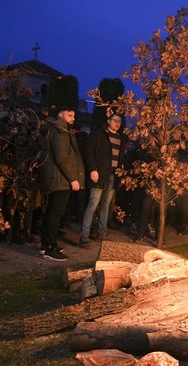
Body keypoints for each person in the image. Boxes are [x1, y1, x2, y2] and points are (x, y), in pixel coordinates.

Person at [38, 106, 85, 261]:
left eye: (74, 115)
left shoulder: (59, 130)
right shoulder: (60, 132)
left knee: (52, 212)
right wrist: (73, 179)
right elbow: (62, 158)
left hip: (57, 178)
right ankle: (50, 247)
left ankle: (46, 246)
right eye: (70, 115)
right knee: (55, 213)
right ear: (60, 114)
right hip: (60, 179)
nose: (73, 118)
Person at [79, 114, 125, 245]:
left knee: (106, 205)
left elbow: (120, 157)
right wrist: (93, 169)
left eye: (119, 121)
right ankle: (84, 236)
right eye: (115, 121)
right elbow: (89, 152)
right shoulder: (98, 134)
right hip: (99, 175)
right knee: (93, 204)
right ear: (109, 121)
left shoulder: (120, 138)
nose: (118, 123)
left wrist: (120, 173)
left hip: (113, 176)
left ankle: (101, 233)